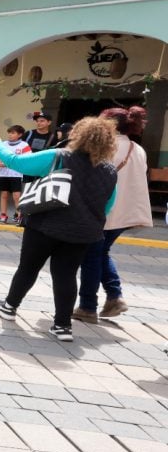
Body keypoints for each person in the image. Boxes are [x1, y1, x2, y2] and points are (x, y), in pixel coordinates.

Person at [0, 116, 118, 343]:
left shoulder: (60, 157)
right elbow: (108, 205)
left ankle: (9, 306)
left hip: (45, 225)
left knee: (28, 268)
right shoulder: (109, 170)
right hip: (82, 232)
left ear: (78, 134)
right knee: (66, 275)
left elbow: (19, 163)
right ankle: (62, 326)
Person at [73, 107, 152, 323]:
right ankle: (114, 297)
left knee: (91, 257)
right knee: (101, 253)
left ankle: (88, 307)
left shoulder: (106, 146)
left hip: (103, 211)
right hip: (125, 214)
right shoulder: (137, 149)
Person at [0, 125, 31, 224]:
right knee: (4, 194)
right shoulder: (4, 144)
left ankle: (19, 215)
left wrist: (7, 164)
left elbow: (26, 160)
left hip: (16, 174)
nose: (10, 135)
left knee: (16, 195)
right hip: (3, 174)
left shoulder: (24, 145)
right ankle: (3, 214)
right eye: (9, 132)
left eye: (13, 133)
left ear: (20, 135)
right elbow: (0, 157)